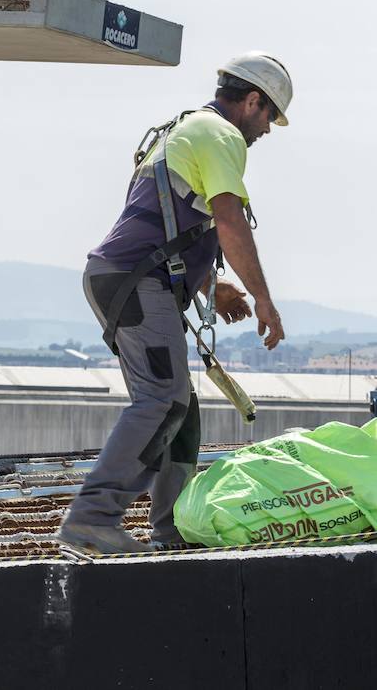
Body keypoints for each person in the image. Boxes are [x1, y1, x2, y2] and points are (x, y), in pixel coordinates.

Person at [59, 53, 291, 553]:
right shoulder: (221, 135)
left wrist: (212, 284)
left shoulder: (186, 132)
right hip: (136, 282)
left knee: (179, 409)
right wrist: (265, 300)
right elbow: (227, 222)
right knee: (162, 399)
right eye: (270, 115)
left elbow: (171, 223)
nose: (268, 130)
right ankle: (92, 518)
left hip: (133, 278)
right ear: (252, 101)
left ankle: (172, 530)